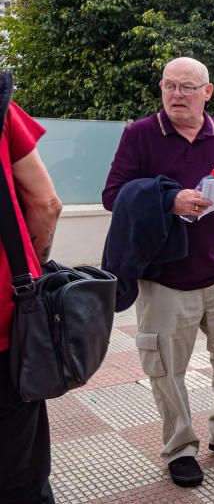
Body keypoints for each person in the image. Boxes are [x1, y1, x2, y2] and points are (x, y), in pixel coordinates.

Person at [102, 57, 214, 489]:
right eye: (170, 86)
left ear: (207, 92)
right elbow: (112, 195)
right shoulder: (140, 134)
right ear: (161, 88)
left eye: (188, 87)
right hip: (164, 278)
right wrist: (168, 199)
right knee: (165, 369)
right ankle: (179, 448)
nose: (177, 95)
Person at [0, 88, 62, 504]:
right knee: (19, 476)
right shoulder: (2, 109)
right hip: (5, 325)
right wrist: (35, 263)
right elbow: (45, 203)